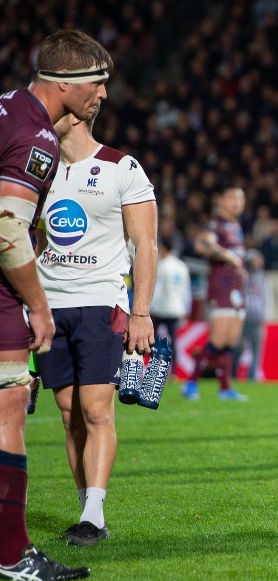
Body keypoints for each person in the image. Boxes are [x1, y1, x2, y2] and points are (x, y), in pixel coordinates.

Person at [0, 29, 111, 581]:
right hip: (4, 298)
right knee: (9, 410)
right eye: (97, 83)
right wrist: (37, 306)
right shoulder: (38, 136)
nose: (103, 95)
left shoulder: (5, 109)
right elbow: (6, 232)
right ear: (65, 85)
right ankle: (14, 556)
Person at [35, 109, 156, 546]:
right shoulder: (39, 170)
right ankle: (90, 513)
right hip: (49, 308)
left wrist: (140, 311)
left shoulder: (121, 167)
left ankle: (92, 513)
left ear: (78, 113)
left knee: (97, 410)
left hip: (102, 304)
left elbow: (146, 245)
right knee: (69, 416)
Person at [182, 187, 249, 401]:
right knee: (219, 339)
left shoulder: (235, 226)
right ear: (221, 200)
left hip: (236, 287)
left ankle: (225, 388)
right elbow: (202, 244)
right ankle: (191, 383)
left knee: (231, 340)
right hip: (221, 286)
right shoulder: (216, 224)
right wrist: (227, 255)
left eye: (240, 198)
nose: (237, 202)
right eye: (231, 197)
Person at [151, 236, 191, 375]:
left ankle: (154, 369)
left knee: (153, 340)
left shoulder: (161, 265)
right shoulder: (181, 265)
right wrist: (187, 308)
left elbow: (157, 289)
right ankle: (173, 372)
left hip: (161, 308)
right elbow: (187, 290)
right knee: (174, 342)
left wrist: (150, 307)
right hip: (177, 308)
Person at [231, 249, 271, 381]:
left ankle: (252, 377)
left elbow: (267, 298)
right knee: (237, 348)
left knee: (256, 351)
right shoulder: (241, 276)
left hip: (257, 320)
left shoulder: (263, 278)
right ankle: (233, 374)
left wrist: (266, 315)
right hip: (242, 319)